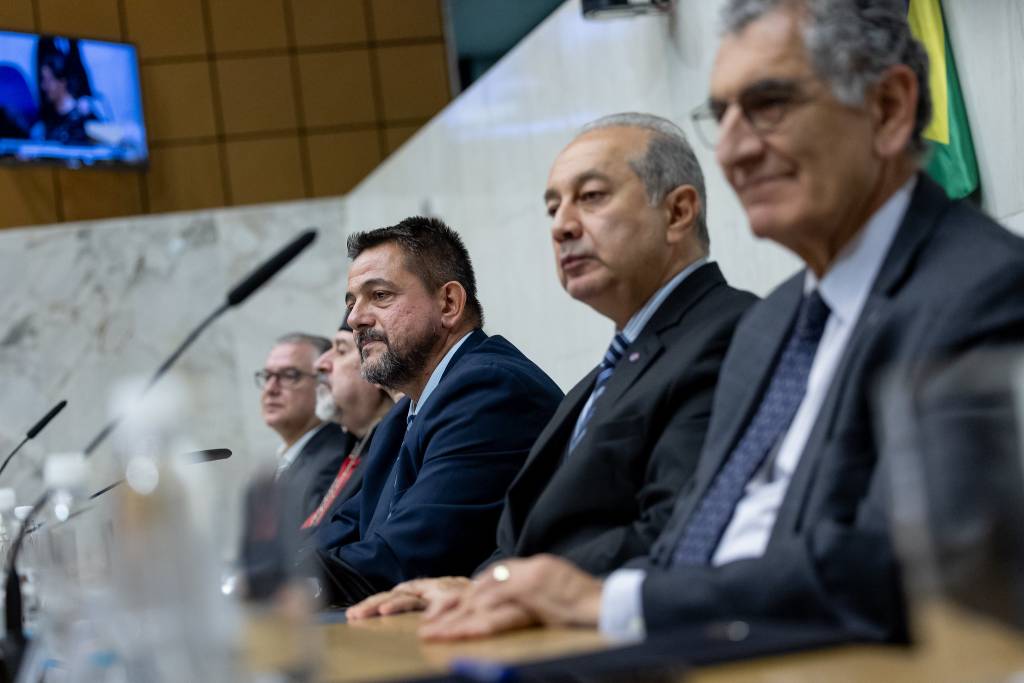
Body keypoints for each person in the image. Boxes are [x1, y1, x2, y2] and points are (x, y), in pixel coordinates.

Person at [416, 0, 1024, 644]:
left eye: (768, 105)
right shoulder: (779, 321)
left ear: (888, 108)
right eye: (722, 114)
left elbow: (904, 566)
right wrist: (521, 594)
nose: (732, 148)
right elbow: (690, 535)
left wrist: (619, 603)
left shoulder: (981, 289)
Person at [347, 113, 756, 620]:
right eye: (552, 207)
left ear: (677, 212)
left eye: (591, 197)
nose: (562, 226)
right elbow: (527, 539)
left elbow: (679, 526)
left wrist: (510, 587)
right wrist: (472, 587)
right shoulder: (598, 381)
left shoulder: (735, 332)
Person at [308, 216, 563, 606]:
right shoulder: (401, 416)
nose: (356, 318)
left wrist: (282, 586)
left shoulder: (491, 390)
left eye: (379, 296)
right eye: (351, 301)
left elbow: (406, 558)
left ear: (448, 304)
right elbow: (341, 529)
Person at [301, 318, 395, 529]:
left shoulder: (396, 449)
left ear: (376, 369)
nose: (320, 364)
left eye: (341, 351)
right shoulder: (349, 447)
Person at [254, 333, 349, 525]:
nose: (271, 388)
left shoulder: (334, 461)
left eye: (290, 375)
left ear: (325, 382)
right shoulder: (293, 460)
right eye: (267, 376)